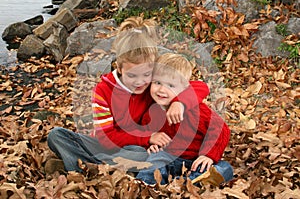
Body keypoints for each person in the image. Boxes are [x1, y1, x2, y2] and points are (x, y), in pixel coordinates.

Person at [47, 17, 209, 172]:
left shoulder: (153, 82)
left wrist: (179, 102)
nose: (140, 82)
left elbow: (199, 87)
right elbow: (107, 138)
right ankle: (101, 165)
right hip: (111, 144)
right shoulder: (103, 92)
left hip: (138, 149)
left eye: (146, 74)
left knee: (138, 153)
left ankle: (90, 165)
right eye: (132, 76)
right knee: (57, 136)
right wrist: (148, 138)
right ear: (119, 68)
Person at [136, 53, 233, 185]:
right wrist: (150, 143)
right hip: (168, 158)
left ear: (184, 89)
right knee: (154, 159)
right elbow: (145, 132)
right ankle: (147, 184)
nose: (161, 90)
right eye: (157, 82)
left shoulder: (195, 110)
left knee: (224, 168)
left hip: (196, 160)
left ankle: (189, 184)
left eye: (170, 85)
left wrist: (208, 155)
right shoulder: (152, 111)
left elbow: (221, 129)